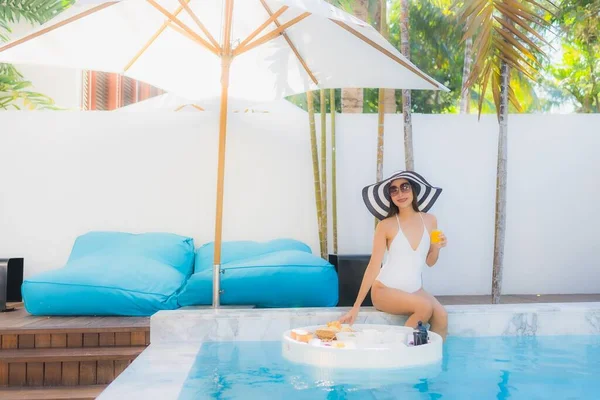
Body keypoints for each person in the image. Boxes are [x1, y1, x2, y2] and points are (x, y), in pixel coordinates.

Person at [339, 171, 449, 340]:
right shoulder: (385, 226)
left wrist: (438, 247)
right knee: (424, 308)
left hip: (414, 290)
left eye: (405, 187)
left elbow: (430, 261)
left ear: (413, 190)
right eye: (394, 190)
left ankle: (433, 361)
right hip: (384, 290)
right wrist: (356, 306)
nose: (400, 194)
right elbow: (374, 266)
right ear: (390, 196)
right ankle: (400, 351)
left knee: (441, 316)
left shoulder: (431, 221)